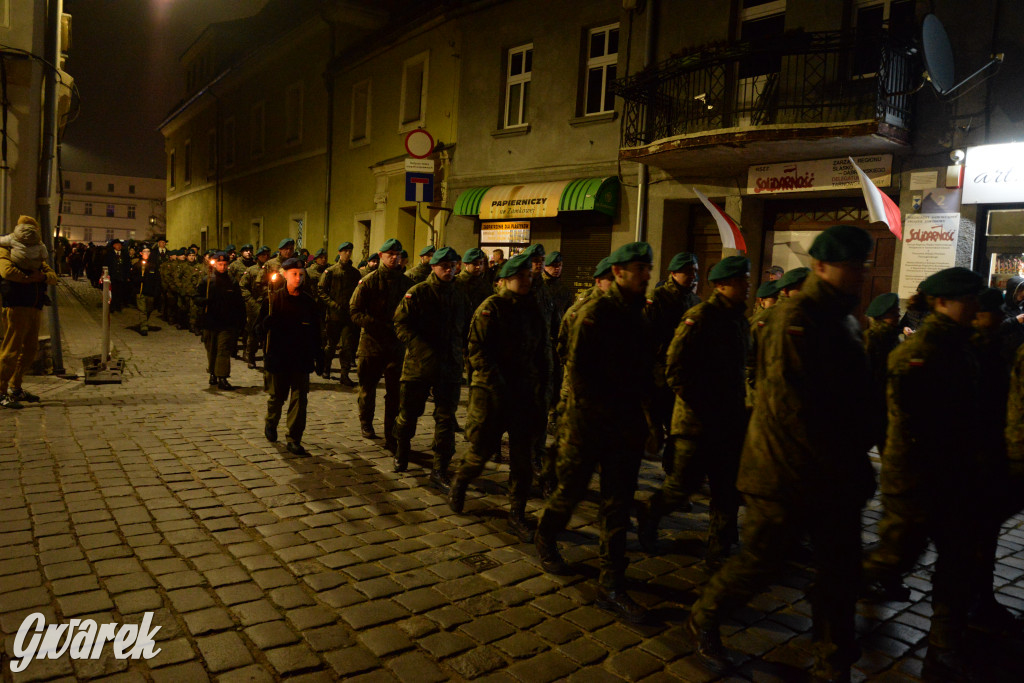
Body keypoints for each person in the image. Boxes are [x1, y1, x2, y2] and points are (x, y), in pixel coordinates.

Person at [687, 225, 876, 682]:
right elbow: (792, 408)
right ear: (821, 267)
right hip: (784, 471)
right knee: (762, 561)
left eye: (861, 267)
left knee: (838, 572)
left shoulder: (844, 320)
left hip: (832, 474)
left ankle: (833, 663)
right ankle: (706, 613)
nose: (858, 275)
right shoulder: (795, 319)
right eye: (850, 267)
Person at [862, 267, 985, 682]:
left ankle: (944, 645)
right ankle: (845, 590)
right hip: (918, 476)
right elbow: (912, 421)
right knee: (897, 555)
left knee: (958, 559)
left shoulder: (961, 344)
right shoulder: (922, 351)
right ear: (941, 302)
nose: (974, 307)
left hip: (954, 476)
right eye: (966, 299)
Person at [534, 242, 655, 624]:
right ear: (618, 273)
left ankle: (612, 585)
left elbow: (647, 374)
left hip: (625, 427)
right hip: (588, 424)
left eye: (648, 268)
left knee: (617, 505)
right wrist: (594, 420)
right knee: (569, 492)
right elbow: (579, 372)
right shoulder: (594, 313)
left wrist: (651, 422)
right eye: (639, 268)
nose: (646, 274)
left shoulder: (640, 314)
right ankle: (546, 535)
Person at [637, 255, 751, 566]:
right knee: (680, 486)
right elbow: (675, 368)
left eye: (747, 280)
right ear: (722, 285)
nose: (748, 286)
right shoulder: (700, 317)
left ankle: (720, 546)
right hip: (696, 421)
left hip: (728, 421)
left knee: (726, 486)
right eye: (742, 281)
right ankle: (649, 513)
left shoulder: (740, 320)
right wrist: (701, 403)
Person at [449, 252, 550, 539]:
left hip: (524, 396)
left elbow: (543, 353)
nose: (527, 280)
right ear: (504, 281)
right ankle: (461, 481)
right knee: (480, 452)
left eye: (529, 276)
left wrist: (544, 390)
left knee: (523, 459)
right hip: (493, 396)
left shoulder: (533, 308)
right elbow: (478, 353)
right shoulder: (490, 308)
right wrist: (498, 385)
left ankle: (517, 514)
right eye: (521, 277)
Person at [392, 247, 472, 487]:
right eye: (444, 266)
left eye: (453, 266)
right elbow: (401, 325)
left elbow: (467, 327)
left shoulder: (460, 294)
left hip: (449, 367)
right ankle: (402, 451)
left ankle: (440, 468)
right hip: (419, 366)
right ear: (434, 267)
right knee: (409, 414)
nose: (450, 270)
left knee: (446, 419)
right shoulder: (418, 293)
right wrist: (421, 350)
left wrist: (463, 352)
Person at [350, 238, 413, 450]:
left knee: (395, 393)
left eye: (397, 254)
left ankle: (391, 434)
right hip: (372, 344)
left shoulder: (406, 283)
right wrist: (375, 325)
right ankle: (366, 422)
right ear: (381, 256)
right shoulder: (368, 282)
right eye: (390, 255)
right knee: (367, 389)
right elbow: (354, 311)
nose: (394, 258)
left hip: (396, 346)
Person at [645, 251, 702, 473]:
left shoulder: (695, 301)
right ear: (673, 273)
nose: (692, 276)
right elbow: (645, 338)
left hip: (682, 379)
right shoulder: (657, 298)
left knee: (678, 430)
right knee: (652, 430)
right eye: (687, 271)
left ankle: (673, 476)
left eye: (695, 271)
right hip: (658, 377)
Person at [258, 257, 322, 455]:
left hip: (300, 358)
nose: (298, 278)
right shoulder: (272, 300)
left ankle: (294, 438)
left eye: (301, 274)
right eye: (294, 274)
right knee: (277, 397)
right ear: (285, 275)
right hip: (278, 357)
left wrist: (319, 356)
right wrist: (265, 324)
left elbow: (316, 332)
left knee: (299, 399)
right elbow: (257, 330)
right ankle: (271, 422)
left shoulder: (308, 303)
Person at [0, 216, 58, 408]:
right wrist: (32, 279)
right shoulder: (6, 248)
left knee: (30, 350)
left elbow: (52, 276)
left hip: (34, 306)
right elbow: (7, 272)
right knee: (11, 350)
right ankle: (0, 390)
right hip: (16, 305)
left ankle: (15, 387)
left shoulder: (36, 253)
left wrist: (42, 276)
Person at [194, 252, 245, 389]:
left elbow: (238, 302)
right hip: (210, 321)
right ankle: (213, 373)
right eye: (220, 264)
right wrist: (204, 301)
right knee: (212, 349)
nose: (222, 267)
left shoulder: (232, 281)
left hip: (226, 322)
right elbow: (196, 297)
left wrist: (240, 321)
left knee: (223, 350)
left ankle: (222, 377)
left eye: (225, 264)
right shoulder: (207, 280)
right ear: (215, 264)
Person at [863, 292, 901, 451]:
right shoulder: (870, 340)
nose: (898, 315)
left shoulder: (892, 338)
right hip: (871, 409)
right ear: (881, 316)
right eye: (893, 313)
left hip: (886, 408)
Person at [319, 242, 361, 385]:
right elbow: (321, 291)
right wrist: (332, 304)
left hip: (348, 315)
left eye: (350, 251)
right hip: (334, 315)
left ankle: (344, 374)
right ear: (339, 252)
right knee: (331, 345)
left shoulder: (355, 273)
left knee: (347, 347)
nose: (347, 253)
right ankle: (326, 368)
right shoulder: (330, 271)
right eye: (345, 251)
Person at [239, 246, 273, 369]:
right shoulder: (252, 270)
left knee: (268, 332)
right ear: (258, 256)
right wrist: (250, 301)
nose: (266, 257)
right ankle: (251, 356)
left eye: (268, 255)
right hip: (255, 305)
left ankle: (267, 356)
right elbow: (242, 287)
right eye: (263, 255)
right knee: (253, 331)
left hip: (268, 304)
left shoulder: (272, 270)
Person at [130, 247, 161, 336]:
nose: (146, 253)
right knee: (142, 309)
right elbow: (132, 278)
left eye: (148, 252)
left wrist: (156, 290)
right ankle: (144, 327)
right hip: (140, 291)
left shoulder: (153, 265)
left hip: (150, 291)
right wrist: (139, 279)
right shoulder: (137, 265)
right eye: (145, 252)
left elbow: (157, 279)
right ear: (141, 253)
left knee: (149, 309)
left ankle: (144, 322)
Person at [105, 238, 129, 312]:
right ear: (114, 246)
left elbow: (128, 265)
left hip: (121, 277)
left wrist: (127, 276)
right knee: (113, 292)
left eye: (120, 245)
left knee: (120, 292)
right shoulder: (109, 254)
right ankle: (112, 306)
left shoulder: (124, 254)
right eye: (117, 245)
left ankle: (118, 306)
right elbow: (106, 265)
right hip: (113, 276)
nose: (119, 246)